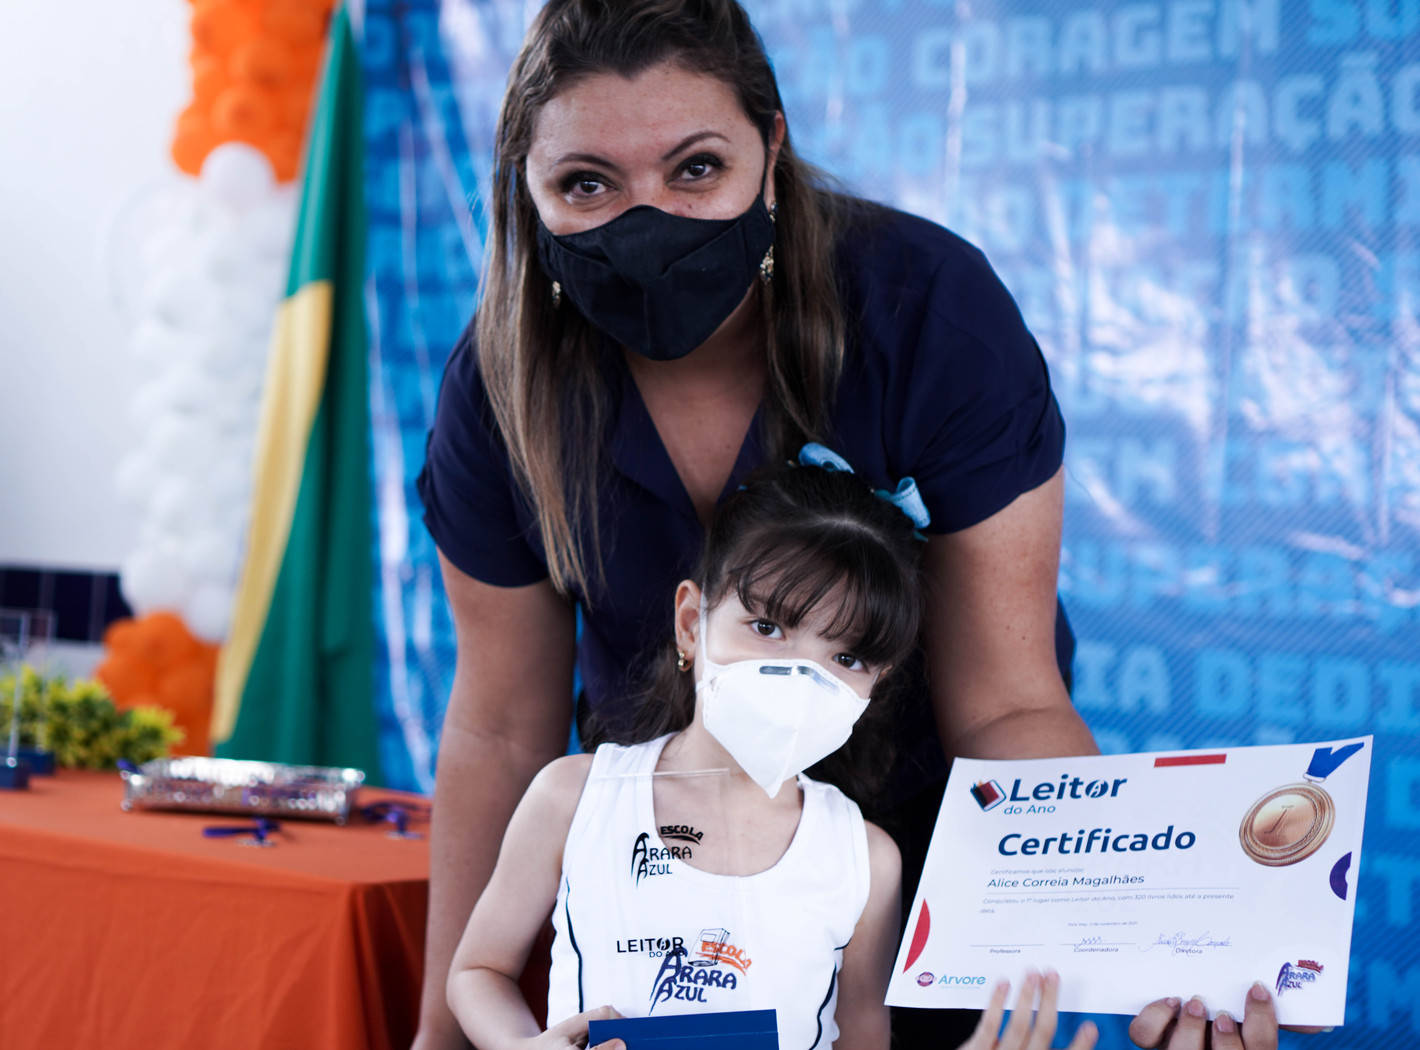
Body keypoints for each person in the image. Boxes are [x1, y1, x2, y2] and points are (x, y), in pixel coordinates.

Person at [412, 2, 1284, 1048]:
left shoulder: (928, 316)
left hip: (920, 882)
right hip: (652, 887)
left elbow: (1008, 706)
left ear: (771, 151)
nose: (646, 225)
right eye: (586, 184)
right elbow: (500, 726)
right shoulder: (502, 386)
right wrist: (441, 1036)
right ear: (528, 192)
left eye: (696, 168)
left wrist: (1125, 960)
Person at [446, 459, 1101, 1050]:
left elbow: (862, 1039)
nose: (800, 673)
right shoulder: (575, 798)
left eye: (845, 656)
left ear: (878, 683)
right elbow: (479, 971)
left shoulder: (866, 860)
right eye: (768, 627)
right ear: (690, 623)